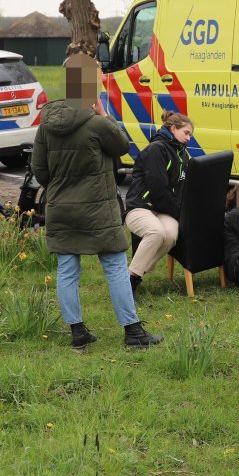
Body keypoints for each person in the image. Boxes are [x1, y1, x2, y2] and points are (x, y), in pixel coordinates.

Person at [31, 52, 162, 349]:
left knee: (67, 270)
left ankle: (78, 333)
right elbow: (122, 146)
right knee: (116, 266)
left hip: (61, 210)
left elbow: (39, 171)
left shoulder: (47, 122)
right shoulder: (95, 123)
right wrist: (104, 113)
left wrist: (61, 190)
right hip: (99, 211)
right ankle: (133, 333)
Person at [124, 110, 193, 292]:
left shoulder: (183, 156)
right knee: (156, 232)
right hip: (140, 207)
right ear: (173, 128)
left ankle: (137, 272)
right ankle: (130, 280)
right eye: (186, 133)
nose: (189, 138)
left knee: (170, 235)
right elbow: (157, 189)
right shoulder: (156, 149)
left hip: (162, 210)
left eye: (191, 135)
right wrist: (179, 213)